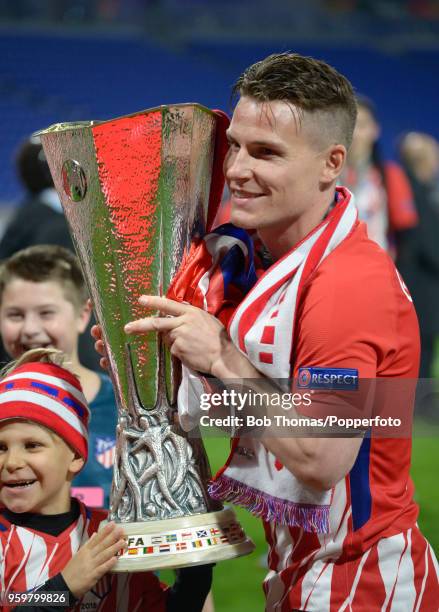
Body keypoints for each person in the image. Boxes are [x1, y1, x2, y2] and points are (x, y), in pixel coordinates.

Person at [93, 53, 439, 610]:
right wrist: (152, 369)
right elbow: (255, 412)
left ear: (332, 164)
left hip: (363, 583)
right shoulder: (266, 265)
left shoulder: (348, 284)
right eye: (235, 145)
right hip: (305, 569)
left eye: (267, 153)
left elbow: (320, 455)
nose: (235, 170)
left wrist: (225, 359)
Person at [0, 348, 212, 611]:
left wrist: (196, 572)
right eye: (1, 448)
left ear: (76, 456)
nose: (11, 462)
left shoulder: (109, 534)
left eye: (32, 445)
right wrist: (65, 589)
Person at [0, 245, 117, 508]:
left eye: (46, 313)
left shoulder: (122, 407)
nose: (30, 329)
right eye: (15, 315)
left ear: (82, 315)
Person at [340, 95, 417, 257]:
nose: (354, 134)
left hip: (376, 268)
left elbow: (406, 232)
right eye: (349, 125)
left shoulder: (391, 175)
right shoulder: (324, 173)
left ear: (375, 130)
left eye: (361, 126)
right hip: (330, 266)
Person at [398, 132, 439, 380]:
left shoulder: (421, 189)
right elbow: (428, 242)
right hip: (419, 282)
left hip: (420, 282)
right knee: (420, 344)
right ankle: (418, 403)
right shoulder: (414, 190)